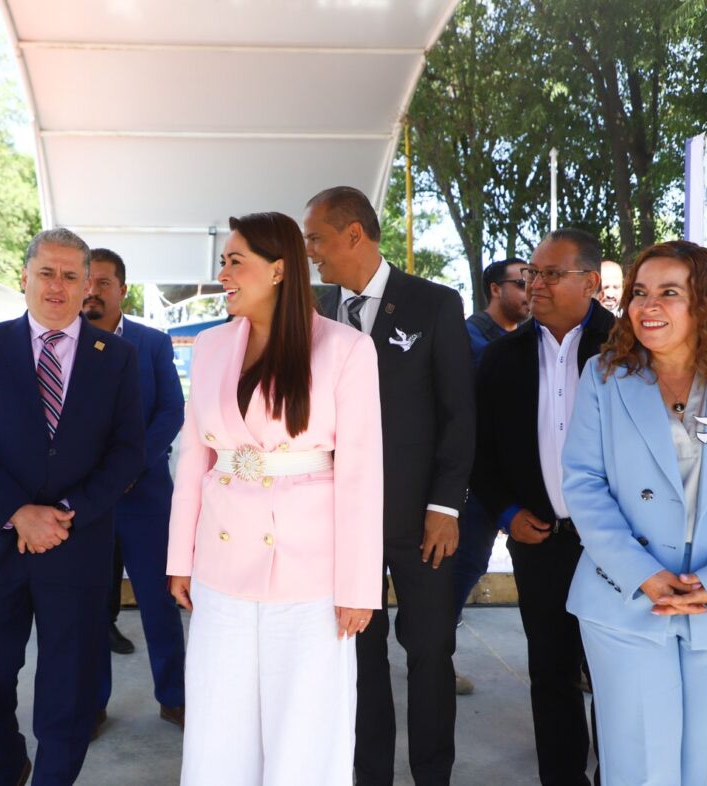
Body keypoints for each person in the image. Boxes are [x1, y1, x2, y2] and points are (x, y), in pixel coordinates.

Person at [562, 240, 707, 786]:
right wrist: (641, 573)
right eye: (641, 293)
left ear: (706, 304)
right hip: (625, 598)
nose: (649, 306)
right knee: (638, 765)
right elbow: (584, 483)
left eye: (670, 293)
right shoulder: (604, 378)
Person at [167, 211, 383, 785]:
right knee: (218, 723)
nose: (224, 274)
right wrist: (179, 559)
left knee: (307, 728)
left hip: (312, 574)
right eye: (223, 261)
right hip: (221, 566)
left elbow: (363, 473)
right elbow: (195, 457)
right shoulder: (211, 345)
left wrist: (360, 587)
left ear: (280, 269)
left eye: (236, 261)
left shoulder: (345, 348)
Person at [0, 227, 144, 786]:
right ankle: (7, 769)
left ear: (87, 284)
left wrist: (64, 513)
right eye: (46, 272)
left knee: (71, 690)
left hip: (76, 547)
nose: (56, 286)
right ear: (25, 277)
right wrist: (19, 514)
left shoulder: (118, 358)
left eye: (69, 275)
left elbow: (128, 452)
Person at [304, 186, 474, 785]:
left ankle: (432, 776)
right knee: (358, 656)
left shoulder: (433, 304)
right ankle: (367, 773)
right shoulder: (315, 310)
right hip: (339, 523)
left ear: (354, 234)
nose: (311, 253)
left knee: (429, 653)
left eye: (317, 239)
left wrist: (444, 507)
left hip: (418, 520)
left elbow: (459, 414)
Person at [471, 228, 612, 786]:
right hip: (540, 541)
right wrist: (505, 513)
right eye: (532, 274)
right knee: (549, 672)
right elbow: (480, 449)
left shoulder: (628, 348)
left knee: (614, 673)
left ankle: (619, 774)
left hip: (616, 547)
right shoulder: (502, 357)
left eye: (552, 274)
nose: (536, 285)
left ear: (591, 283)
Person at [84, 248, 187, 731]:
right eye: (88, 281)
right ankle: (94, 702)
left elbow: (171, 410)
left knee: (159, 600)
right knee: (89, 605)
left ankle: (174, 695)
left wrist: (130, 466)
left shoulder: (152, 343)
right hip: (86, 501)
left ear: (123, 289)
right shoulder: (65, 343)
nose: (92, 291)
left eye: (104, 282)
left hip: (144, 495)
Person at [454, 258, 530, 667]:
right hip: (473, 477)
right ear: (495, 289)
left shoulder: (528, 340)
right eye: (521, 282)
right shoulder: (466, 338)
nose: (530, 290)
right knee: (463, 565)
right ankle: (433, 657)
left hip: (512, 477)